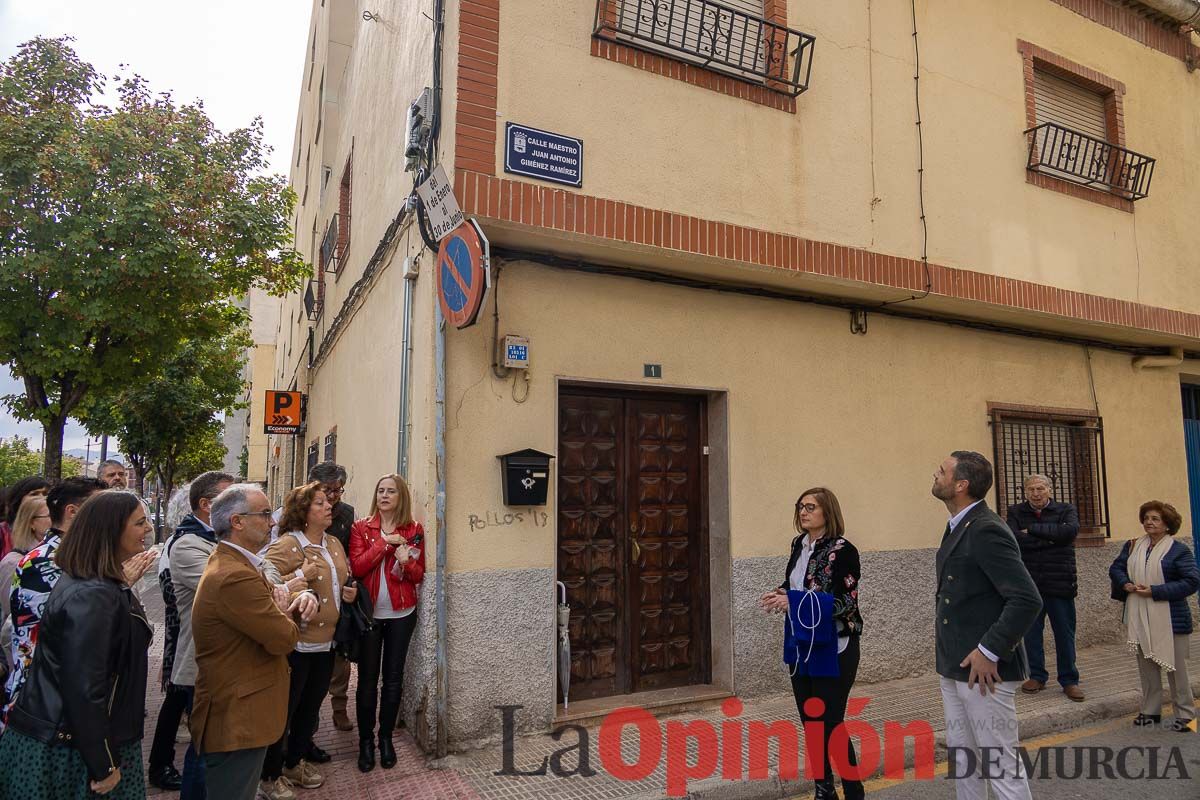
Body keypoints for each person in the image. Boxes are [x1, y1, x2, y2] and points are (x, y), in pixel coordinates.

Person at [0, 490, 154, 799]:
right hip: (69, 748)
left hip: (76, 740)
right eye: (140, 522)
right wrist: (104, 763)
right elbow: (84, 686)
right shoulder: (93, 593)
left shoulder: (96, 583)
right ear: (111, 530)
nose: (148, 529)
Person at [190, 484, 318, 800]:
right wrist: (285, 608)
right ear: (237, 521)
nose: (272, 521)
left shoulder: (239, 563)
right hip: (238, 720)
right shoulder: (234, 575)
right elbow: (284, 639)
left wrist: (282, 601)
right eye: (263, 514)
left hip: (242, 715)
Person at [931, 451, 1041, 800]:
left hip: (984, 670)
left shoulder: (987, 529)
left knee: (1000, 764)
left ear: (960, 484)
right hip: (954, 665)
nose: (936, 474)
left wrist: (989, 650)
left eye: (942, 471)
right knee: (965, 760)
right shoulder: (960, 524)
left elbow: (1026, 599)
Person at [759, 487, 864, 800]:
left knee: (831, 723)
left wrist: (794, 603)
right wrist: (779, 594)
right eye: (801, 506)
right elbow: (797, 584)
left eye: (811, 507)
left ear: (826, 512)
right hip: (802, 642)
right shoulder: (799, 544)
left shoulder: (844, 550)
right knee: (811, 722)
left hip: (835, 645)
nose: (804, 512)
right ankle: (824, 790)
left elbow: (846, 601)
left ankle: (854, 792)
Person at [260, 482, 353, 796]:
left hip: (327, 644)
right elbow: (265, 582)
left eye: (328, 502)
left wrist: (349, 591)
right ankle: (269, 777)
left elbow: (342, 578)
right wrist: (301, 579)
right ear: (303, 511)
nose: (328, 506)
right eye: (319, 503)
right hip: (297, 645)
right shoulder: (289, 544)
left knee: (310, 708)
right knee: (283, 711)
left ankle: (294, 763)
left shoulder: (334, 543)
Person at [2, 476, 113, 726]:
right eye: (102, 510)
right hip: (45, 711)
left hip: (73, 705)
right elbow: (72, 634)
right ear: (72, 512)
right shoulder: (45, 562)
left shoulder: (83, 557)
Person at [149, 473, 234, 793]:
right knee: (202, 740)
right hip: (191, 642)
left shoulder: (219, 540)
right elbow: (216, 592)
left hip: (196, 643)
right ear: (205, 505)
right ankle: (161, 765)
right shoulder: (185, 544)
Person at [350, 473, 426, 772]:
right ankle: (365, 742)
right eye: (380, 490)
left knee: (393, 679)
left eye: (391, 491)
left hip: (401, 614)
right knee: (367, 681)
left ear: (401, 496)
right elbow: (357, 566)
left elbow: (418, 575)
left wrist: (406, 560)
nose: (384, 495)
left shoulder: (414, 529)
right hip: (370, 615)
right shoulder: (361, 527)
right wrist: (384, 543)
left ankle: (386, 739)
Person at [1109, 500, 1200, 732]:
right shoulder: (1132, 545)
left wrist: (1156, 591)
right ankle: (1151, 711)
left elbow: (1191, 581)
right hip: (1139, 616)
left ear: (1167, 525)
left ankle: (1186, 715)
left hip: (1172, 619)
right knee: (1147, 667)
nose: (1149, 522)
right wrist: (1125, 583)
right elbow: (1116, 568)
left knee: (1177, 670)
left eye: (1155, 519)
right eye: (1146, 518)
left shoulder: (1179, 550)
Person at [1006, 473, 1084, 701]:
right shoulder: (1016, 512)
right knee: (1031, 634)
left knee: (1064, 633)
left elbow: (1069, 532)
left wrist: (1032, 531)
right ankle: (1037, 676)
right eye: (1031, 489)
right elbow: (1013, 539)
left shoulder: (1066, 509)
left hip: (1059, 581)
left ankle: (1069, 680)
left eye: (1040, 488)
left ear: (1050, 490)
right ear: (1025, 492)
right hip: (1029, 583)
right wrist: (1052, 538)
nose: (1036, 493)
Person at [307, 461, 357, 732]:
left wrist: (351, 583)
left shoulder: (347, 514)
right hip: (308, 592)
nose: (334, 496)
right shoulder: (299, 511)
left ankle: (339, 707)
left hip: (338, 593)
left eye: (339, 490)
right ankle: (309, 721)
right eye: (329, 490)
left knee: (341, 656)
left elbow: (352, 553)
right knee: (310, 660)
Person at [0, 495, 51, 696]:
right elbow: (13, 615)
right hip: (26, 660)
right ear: (31, 523)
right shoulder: (15, 562)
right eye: (49, 516)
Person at [0, 476, 50, 559]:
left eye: (45, 494)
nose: (42, 498)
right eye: (34, 494)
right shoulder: (3, 531)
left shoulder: (47, 527)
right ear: (18, 499)